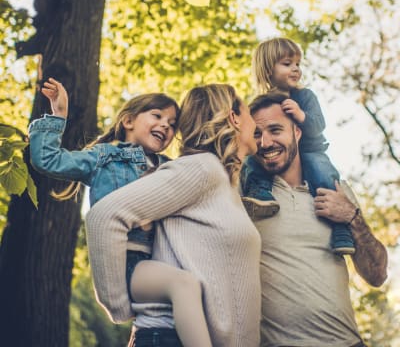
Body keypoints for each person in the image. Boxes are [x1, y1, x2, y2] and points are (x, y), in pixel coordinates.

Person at [28, 78, 214, 347]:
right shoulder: (104, 157)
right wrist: (59, 115)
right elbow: (48, 159)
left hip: (162, 259)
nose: (166, 125)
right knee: (183, 285)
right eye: (157, 115)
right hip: (128, 262)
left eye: (173, 124)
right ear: (128, 121)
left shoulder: (169, 167)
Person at [85, 84, 262, 347]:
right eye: (249, 113)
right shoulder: (201, 168)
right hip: (168, 338)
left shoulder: (223, 181)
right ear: (233, 117)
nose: (255, 124)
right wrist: (118, 304)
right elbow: (103, 216)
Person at [243, 92, 388, 346]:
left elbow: (377, 274)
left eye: (276, 130)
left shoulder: (335, 189)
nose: (265, 142)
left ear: (298, 132)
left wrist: (351, 216)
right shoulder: (247, 196)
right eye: (257, 133)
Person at [241, 37, 355, 255]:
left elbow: (318, 125)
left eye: (297, 64)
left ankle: (340, 230)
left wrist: (301, 115)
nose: (295, 69)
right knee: (251, 160)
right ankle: (261, 192)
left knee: (323, 174)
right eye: (287, 64)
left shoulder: (305, 96)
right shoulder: (260, 104)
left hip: (310, 151)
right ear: (267, 69)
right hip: (278, 156)